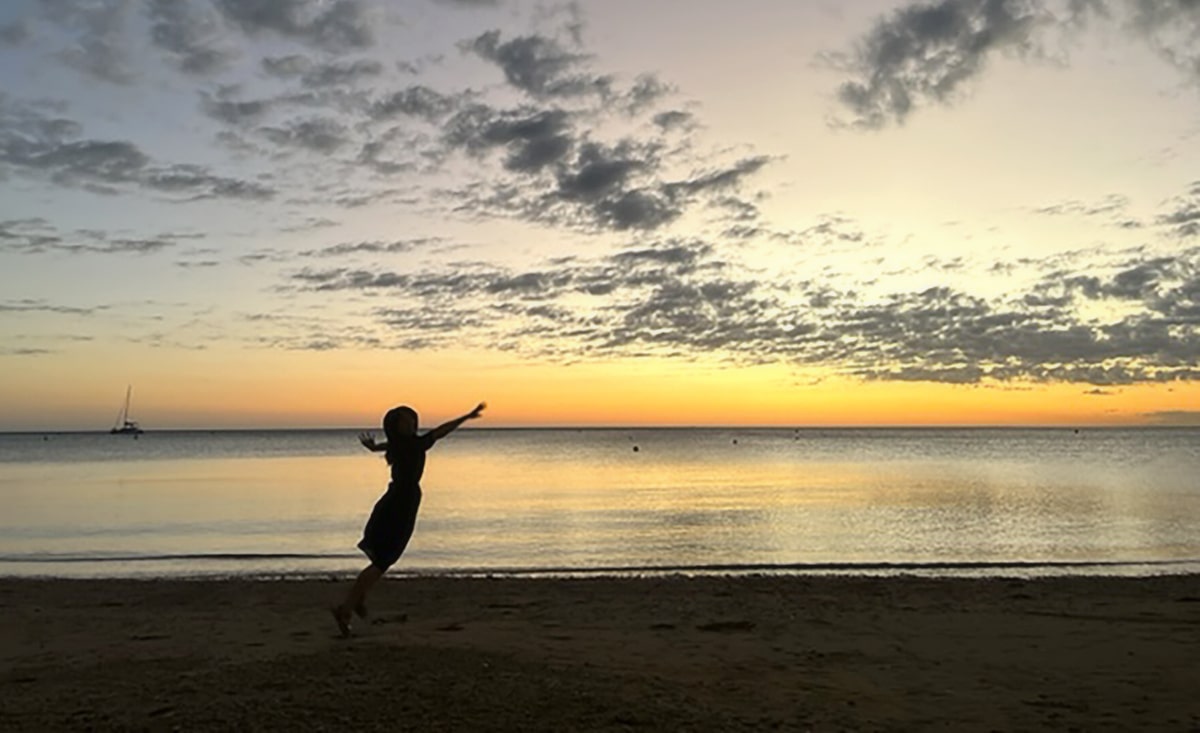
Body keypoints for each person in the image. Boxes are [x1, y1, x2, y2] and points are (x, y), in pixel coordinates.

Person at [331, 401, 486, 636]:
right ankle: (346, 608)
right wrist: (467, 416)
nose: (412, 423)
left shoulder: (399, 445)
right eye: (406, 421)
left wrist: (374, 448)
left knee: (382, 556)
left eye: (412, 419)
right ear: (397, 426)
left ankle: (358, 600)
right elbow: (442, 431)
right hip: (402, 502)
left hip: (395, 498)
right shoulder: (413, 444)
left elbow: (391, 445)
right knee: (383, 560)